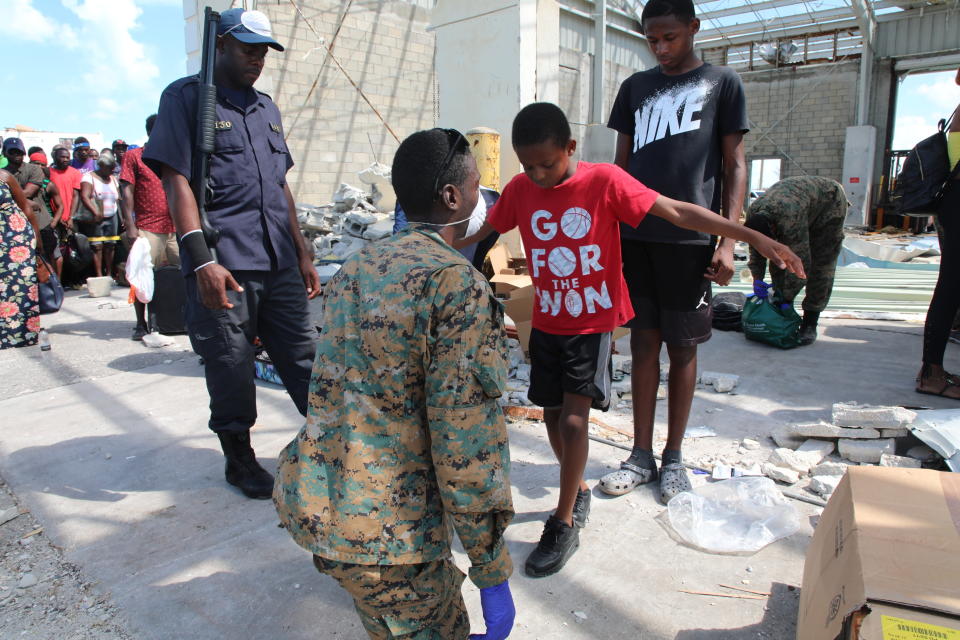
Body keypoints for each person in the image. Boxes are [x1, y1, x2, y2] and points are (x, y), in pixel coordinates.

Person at [458, 102, 802, 577]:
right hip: (548, 321)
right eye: (529, 165)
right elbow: (482, 233)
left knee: (576, 422)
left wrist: (748, 236)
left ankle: (563, 521)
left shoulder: (604, 182)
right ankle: (576, 488)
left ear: (570, 148)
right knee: (555, 418)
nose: (538, 175)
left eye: (548, 164)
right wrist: (426, 241)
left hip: (592, 321)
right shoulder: (520, 190)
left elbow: (678, 212)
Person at [275, 128, 515, 640]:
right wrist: (490, 568)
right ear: (452, 196)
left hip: (323, 509)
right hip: (393, 538)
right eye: (476, 186)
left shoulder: (358, 267)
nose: (482, 198)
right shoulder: (454, 283)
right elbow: (464, 444)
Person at [144, 8, 320, 500]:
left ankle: (333, 444)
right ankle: (239, 459)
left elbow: (280, 184)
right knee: (231, 362)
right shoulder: (186, 99)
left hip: (279, 259)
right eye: (248, 49)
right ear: (220, 44)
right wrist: (200, 260)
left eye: (263, 51)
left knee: (303, 357)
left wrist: (302, 250)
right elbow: (177, 179)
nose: (257, 60)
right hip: (225, 263)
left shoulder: (266, 108)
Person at [601, 0, 749, 504]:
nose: (662, 49)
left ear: (693, 28)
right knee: (644, 344)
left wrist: (728, 240)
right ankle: (640, 455)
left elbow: (734, 165)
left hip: (691, 241)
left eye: (671, 37)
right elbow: (618, 171)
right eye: (652, 40)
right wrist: (610, 238)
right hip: (637, 237)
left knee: (683, 349)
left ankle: (674, 458)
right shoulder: (635, 89)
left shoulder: (722, 83)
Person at [745, 176, 847, 345]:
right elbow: (756, 249)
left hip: (829, 203)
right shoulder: (753, 215)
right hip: (802, 202)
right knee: (779, 263)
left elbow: (800, 263)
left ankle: (810, 322)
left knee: (822, 265)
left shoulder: (789, 218)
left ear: (774, 230)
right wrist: (757, 279)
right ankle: (782, 312)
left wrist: (784, 298)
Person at [917, 66, 960, 399]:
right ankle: (931, 372)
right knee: (951, 286)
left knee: (951, 285)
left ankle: (932, 370)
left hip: (952, 205)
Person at [120, 114, 179, 340]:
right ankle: (140, 323)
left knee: (188, 273)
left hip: (175, 227)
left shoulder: (173, 156)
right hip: (147, 227)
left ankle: (183, 318)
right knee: (140, 276)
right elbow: (126, 191)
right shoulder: (134, 156)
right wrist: (131, 227)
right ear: (151, 132)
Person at [0, 168, 41, 349]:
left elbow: (25, 206)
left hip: (15, 239)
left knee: (19, 286)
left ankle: (22, 334)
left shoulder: (5, 176)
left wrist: (37, 241)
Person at [2, 138, 48, 262]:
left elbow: (28, 192)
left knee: (47, 257)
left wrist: (9, 198)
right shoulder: (3, 173)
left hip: (39, 221)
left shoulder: (34, 169)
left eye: (19, 152)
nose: (17, 155)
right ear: (4, 153)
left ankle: (55, 282)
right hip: (13, 225)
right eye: (12, 152)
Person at [77, 151, 121, 278]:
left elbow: (119, 198)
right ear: (102, 166)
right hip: (96, 217)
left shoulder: (113, 179)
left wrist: (121, 217)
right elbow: (84, 197)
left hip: (112, 215)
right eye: (110, 168)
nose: (112, 171)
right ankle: (99, 274)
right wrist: (96, 212)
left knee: (110, 245)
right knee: (97, 246)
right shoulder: (88, 177)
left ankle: (109, 273)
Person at [28, 150, 65, 277]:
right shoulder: (24, 183)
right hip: (30, 225)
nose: (38, 167)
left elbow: (60, 206)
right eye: (35, 163)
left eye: (41, 164)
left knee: (55, 256)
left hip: (47, 225)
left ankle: (56, 283)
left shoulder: (48, 184)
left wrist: (54, 223)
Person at [49, 146, 82, 234]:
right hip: (54, 217)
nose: (65, 159)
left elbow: (76, 196)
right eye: (62, 157)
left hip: (70, 219)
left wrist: (71, 217)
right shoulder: (48, 172)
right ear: (55, 157)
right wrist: (57, 217)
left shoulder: (75, 173)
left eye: (67, 157)